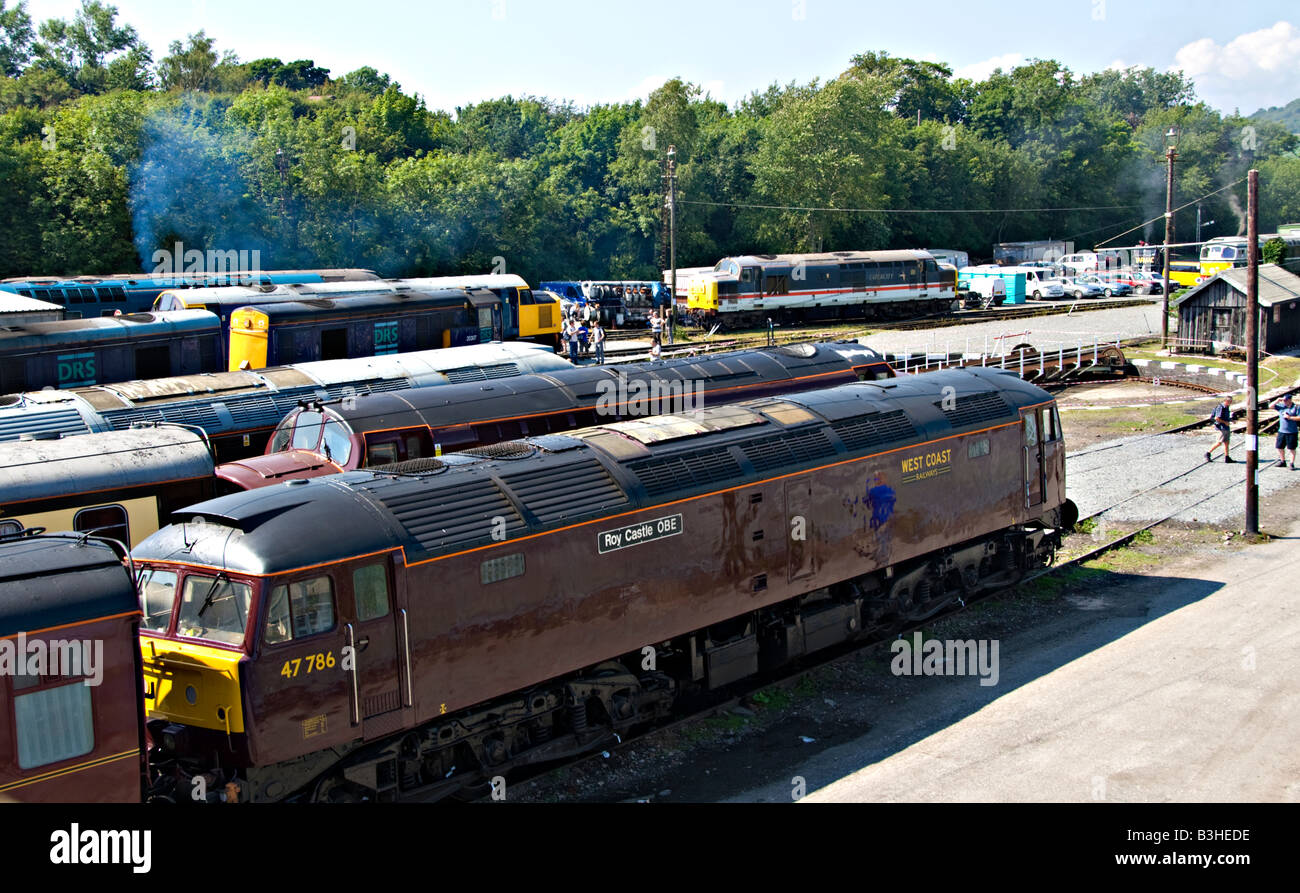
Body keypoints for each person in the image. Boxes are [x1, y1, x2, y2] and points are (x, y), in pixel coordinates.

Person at [1272, 394, 1299, 469]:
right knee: (1279, 447)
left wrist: (1289, 417)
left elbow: (1299, 418)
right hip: (1282, 431)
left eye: (1286, 400)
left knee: (1291, 448)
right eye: (1284, 400)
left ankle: (1291, 463)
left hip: (1292, 432)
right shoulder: (1281, 406)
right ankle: (1283, 461)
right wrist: (1277, 400)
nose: (1284, 402)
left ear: (1290, 400)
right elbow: (1270, 406)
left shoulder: (1296, 407)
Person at [1207, 396, 1235, 463]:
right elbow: (1217, 418)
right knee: (1219, 442)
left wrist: (1231, 420)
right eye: (1229, 401)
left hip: (1226, 427)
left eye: (1231, 401)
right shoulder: (1221, 407)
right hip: (1221, 427)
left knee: (1226, 442)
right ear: (1226, 401)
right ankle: (1208, 453)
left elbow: (1226, 417)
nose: (1230, 403)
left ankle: (1227, 457)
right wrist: (1225, 422)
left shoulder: (1227, 407)